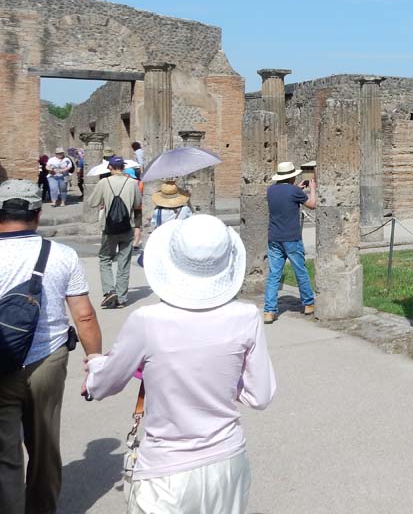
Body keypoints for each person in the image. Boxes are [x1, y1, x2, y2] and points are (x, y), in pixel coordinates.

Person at [83, 214, 276, 513]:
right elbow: (260, 396)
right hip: (228, 462)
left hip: (166, 472)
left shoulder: (147, 321)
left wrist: (96, 364)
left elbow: (104, 384)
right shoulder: (246, 316)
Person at [0, 179, 102, 514]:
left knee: (4, 453)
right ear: (38, 214)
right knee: (44, 445)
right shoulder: (61, 255)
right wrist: (95, 360)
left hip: (1, 361)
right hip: (47, 359)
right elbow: (84, 316)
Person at [263, 162, 316, 324]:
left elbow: (285, 197)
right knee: (300, 271)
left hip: (274, 238)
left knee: (274, 275)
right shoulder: (294, 191)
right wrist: (312, 189)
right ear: (292, 177)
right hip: (291, 238)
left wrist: (297, 189)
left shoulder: (271, 190)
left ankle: (269, 311)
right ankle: (308, 303)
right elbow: (312, 205)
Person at [88, 156, 143, 309]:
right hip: (127, 227)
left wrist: (104, 200)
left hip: (109, 227)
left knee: (105, 258)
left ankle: (109, 290)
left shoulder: (104, 182)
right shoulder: (132, 183)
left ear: (110, 168)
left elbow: (92, 202)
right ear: (123, 167)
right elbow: (137, 204)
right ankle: (121, 297)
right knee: (124, 262)